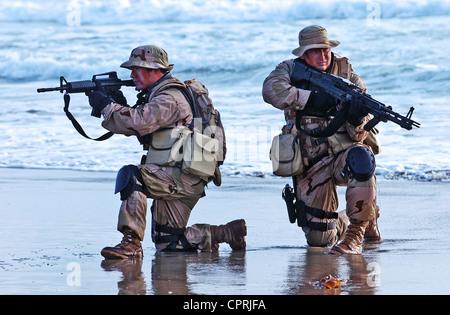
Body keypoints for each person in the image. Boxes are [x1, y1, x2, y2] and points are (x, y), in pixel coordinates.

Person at [86, 45, 246, 259]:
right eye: (131, 69)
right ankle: (226, 233)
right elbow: (144, 129)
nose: (132, 74)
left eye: (137, 69)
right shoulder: (159, 94)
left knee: (132, 176)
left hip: (181, 176)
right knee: (169, 242)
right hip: (185, 174)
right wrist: (117, 104)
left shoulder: (169, 97)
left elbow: (139, 122)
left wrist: (107, 105)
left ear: (155, 70)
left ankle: (130, 243)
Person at [262, 25, 381, 254]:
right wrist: (312, 100)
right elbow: (271, 90)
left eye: (325, 50)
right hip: (310, 161)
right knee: (320, 239)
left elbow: (360, 134)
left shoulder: (347, 75)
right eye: (315, 51)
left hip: (342, 156)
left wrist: (356, 117)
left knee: (362, 157)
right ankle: (356, 216)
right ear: (303, 53)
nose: (323, 56)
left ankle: (358, 231)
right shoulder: (289, 68)